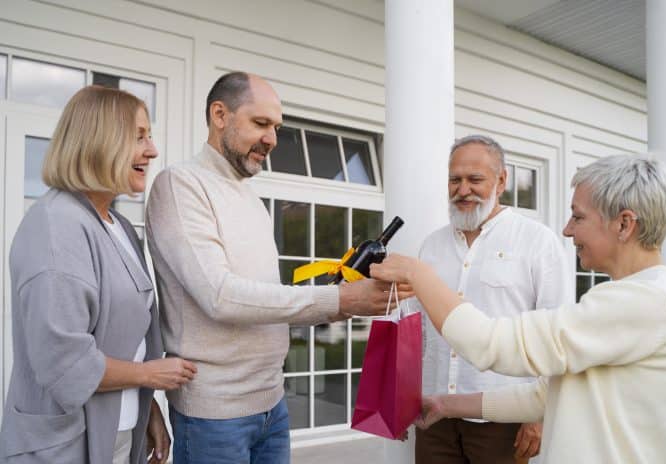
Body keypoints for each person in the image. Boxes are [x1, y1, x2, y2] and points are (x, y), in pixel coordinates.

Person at [145, 71, 403, 464]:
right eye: (260, 123)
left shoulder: (251, 198)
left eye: (276, 128)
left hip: (272, 404)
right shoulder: (180, 185)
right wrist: (338, 299)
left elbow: (263, 298)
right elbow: (220, 296)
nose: (272, 139)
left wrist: (337, 290)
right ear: (220, 115)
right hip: (215, 414)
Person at [370, 154, 666, 463]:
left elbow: (491, 344)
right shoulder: (644, 296)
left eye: (578, 216)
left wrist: (418, 274)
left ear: (624, 224)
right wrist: (446, 404)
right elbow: (546, 394)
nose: (568, 230)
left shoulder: (646, 303)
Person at [0, 86, 197, 464]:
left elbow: (129, 338)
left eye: (149, 136)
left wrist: (148, 408)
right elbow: (65, 362)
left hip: (121, 431)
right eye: (138, 136)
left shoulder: (119, 226)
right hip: (65, 443)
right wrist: (149, 376)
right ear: (98, 141)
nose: (152, 150)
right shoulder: (55, 226)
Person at [411, 135, 570, 464]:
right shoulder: (431, 246)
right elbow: (417, 333)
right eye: (455, 179)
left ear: (502, 180)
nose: (463, 189)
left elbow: (556, 335)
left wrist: (540, 415)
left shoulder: (538, 241)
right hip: (434, 413)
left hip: (503, 420)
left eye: (475, 179)